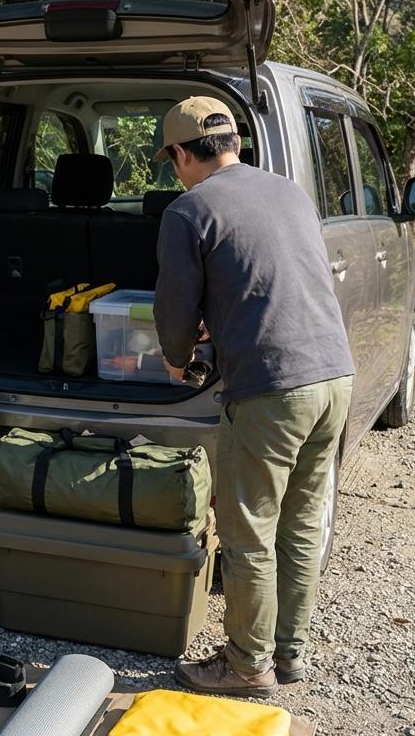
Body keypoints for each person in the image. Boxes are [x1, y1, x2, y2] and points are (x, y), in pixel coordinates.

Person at [152, 96, 355, 698]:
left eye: (174, 160)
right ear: (234, 143)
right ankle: (288, 656)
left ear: (184, 154)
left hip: (271, 390)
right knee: (297, 525)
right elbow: (270, 280)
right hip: (333, 378)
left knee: (247, 534)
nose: (177, 171)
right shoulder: (290, 193)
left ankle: (245, 667)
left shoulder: (188, 211)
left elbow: (173, 312)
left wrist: (177, 358)